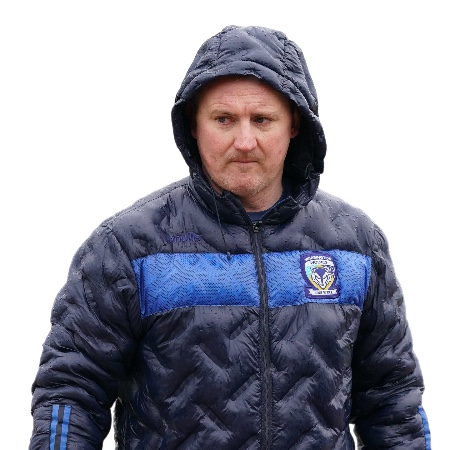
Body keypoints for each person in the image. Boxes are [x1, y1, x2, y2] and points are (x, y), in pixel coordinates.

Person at [29, 25, 431, 449]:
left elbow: (394, 402)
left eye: (262, 120)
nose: (244, 141)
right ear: (194, 124)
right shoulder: (127, 248)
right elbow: (71, 392)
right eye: (223, 119)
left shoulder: (355, 246)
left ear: (295, 124)